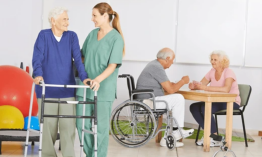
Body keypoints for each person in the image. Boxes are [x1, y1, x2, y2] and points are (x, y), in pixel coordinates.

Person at [32, 7, 92, 157]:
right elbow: (37, 58)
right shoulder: (43, 36)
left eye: (67, 19)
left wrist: (84, 77)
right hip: (47, 90)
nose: (68, 22)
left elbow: (78, 60)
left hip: (67, 91)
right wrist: (38, 75)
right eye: (64, 19)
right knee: (47, 129)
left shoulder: (72, 36)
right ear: (53, 21)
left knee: (68, 129)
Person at [75, 2, 124, 157]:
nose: (92, 19)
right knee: (81, 123)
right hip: (85, 88)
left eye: (94, 15)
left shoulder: (116, 38)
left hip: (104, 89)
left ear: (105, 16)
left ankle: (100, 155)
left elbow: (113, 65)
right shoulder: (92, 34)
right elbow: (81, 56)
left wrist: (98, 80)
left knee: (101, 128)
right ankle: (91, 154)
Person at [136, 47, 194, 147]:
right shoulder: (156, 67)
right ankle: (176, 132)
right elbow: (171, 90)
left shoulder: (154, 65)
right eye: (172, 60)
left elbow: (167, 86)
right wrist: (183, 81)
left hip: (149, 99)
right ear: (167, 58)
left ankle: (167, 137)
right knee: (178, 98)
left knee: (175, 100)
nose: (172, 63)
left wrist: (173, 84)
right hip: (147, 102)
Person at [189, 50, 241, 147]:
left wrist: (205, 88)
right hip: (216, 101)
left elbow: (226, 89)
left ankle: (214, 137)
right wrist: (194, 86)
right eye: (212, 59)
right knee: (194, 107)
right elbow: (202, 84)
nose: (212, 61)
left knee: (205, 108)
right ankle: (211, 135)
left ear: (222, 61)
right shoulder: (212, 71)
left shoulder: (229, 72)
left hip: (231, 102)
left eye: (215, 60)